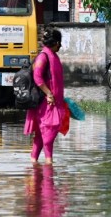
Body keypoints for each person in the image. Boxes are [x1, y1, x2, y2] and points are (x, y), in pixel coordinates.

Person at [24, 27, 68, 164]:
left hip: (54, 102)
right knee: (48, 134)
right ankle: (49, 164)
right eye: (59, 42)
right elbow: (37, 77)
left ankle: (33, 165)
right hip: (45, 102)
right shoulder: (43, 56)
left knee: (41, 136)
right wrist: (49, 93)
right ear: (55, 42)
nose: (60, 45)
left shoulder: (53, 56)